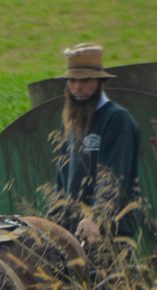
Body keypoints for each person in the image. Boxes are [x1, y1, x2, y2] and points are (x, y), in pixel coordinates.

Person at [47, 43, 141, 259]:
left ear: (101, 81)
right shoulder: (70, 122)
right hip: (73, 232)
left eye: (85, 80)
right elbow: (62, 181)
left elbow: (114, 178)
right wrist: (49, 223)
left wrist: (96, 219)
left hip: (108, 233)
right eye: (72, 80)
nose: (77, 86)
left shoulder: (117, 119)